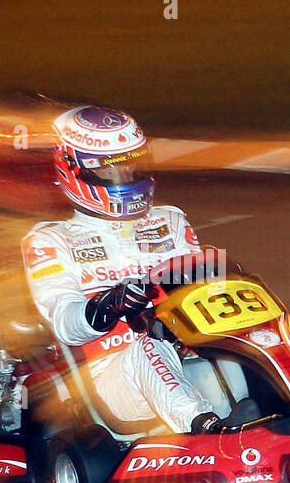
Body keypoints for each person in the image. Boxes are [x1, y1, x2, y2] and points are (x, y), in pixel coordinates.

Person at [22, 105, 225, 434]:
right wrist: (108, 305)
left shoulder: (169, 219)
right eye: (111, 170)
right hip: (111, 377)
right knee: (147, 346)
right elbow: (64, 323)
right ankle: (205, 429)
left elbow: (202, 287)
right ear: (75, 170)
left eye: (131, 164)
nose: (126, 177)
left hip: (188, 352)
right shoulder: (50, 240)